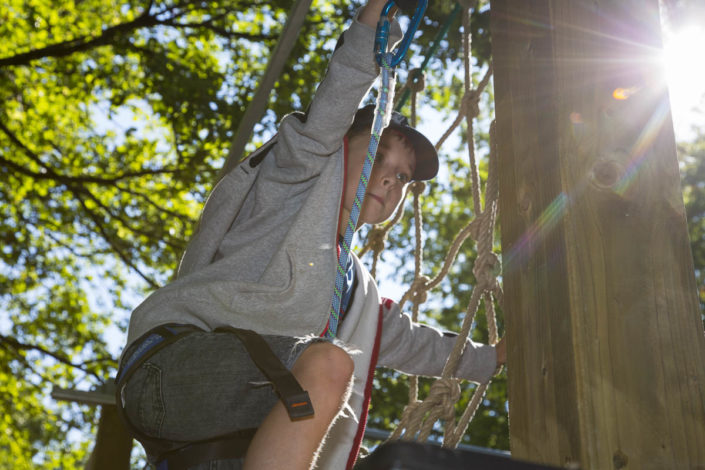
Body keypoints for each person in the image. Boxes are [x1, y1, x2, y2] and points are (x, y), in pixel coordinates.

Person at [115, 1, 506, 469]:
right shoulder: (291, 186)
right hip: (176, 367)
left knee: (328, 386)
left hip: (220, 441)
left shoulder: (353, 290)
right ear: (340, 149)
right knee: (327, 366)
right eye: (379, 156)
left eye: (403, 177)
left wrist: (497, 358)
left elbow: (411, 343)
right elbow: (324, 122)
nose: (390, 178)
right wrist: (369, 30)